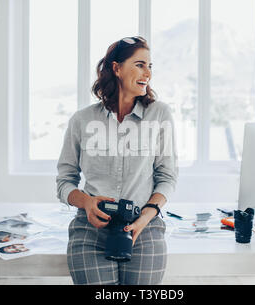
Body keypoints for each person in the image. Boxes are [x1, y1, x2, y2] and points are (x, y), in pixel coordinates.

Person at [56, 36, 178, 285]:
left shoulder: (160, 114)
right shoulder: (82, 120)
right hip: (91, 228)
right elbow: (64, 182)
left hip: (145, 226)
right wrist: (87, 203)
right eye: (140, 65)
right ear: (117, 68)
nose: (148, 74)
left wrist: (146, 217)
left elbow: (167, 177)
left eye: (150, 66)